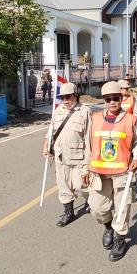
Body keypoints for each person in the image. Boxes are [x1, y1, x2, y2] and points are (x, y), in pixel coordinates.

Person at [83, 81, 137, 262]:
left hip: (122, 174)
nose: (112, 102)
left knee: (122, 210)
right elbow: (88, 146)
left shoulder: (130, 119)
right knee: (97, 209)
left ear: (121, 98)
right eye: (108, 99)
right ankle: (108, 227)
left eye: (115, 98)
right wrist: (85, 168)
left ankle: (120, 239)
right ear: (104, 100)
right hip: (99, 174)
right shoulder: (94, 119)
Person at [42, 82, 92, 227]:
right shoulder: (58, 111)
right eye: (62, 97)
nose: (65, 100)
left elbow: (89, 138)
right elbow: (52, 130)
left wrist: (88, 163)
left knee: (82, 185)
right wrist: (46, 144)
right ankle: (69, 212)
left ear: (75, 96)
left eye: (68, 97)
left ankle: (89, 200)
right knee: (63, 186)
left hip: (78, 157)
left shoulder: (85, 111)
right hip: (60, 156)